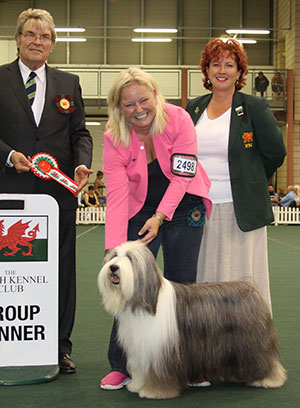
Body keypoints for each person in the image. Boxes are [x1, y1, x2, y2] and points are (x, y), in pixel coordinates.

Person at [100, 67, 211, 390]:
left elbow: (183, 175)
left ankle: (189, 364)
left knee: (182, 286)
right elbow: (118, 197)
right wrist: (113, 251)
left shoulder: (179, 120)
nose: (138, 110)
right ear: (119, 107)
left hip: (184, 202)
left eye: (143, 100)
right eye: (129, 104)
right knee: (131, 287)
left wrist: (162, 215)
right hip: (140, 208)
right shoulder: (113, 136)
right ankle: (121, 365)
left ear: (156, 97)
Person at [0, 8, 93, 373]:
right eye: (30, 35)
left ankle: (59, 347)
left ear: (53, 44)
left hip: (58, 197)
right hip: (10, 192)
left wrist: (82, 163)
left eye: (45, 36)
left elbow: (80, 133)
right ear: (18, 38)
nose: (37, 41)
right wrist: (8, 156)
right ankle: (7, 340)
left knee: (61, 270)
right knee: (9, 269)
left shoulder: (69, 83)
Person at [186, 37, 286, 312]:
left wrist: (249, 179)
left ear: (240, 72)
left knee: (243, 281)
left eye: (229, 64)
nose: (222, 70)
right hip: (200, 208)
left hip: (240, 209)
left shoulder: (254, 108)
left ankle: (251, 345)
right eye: (215, 64)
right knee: (205, 279)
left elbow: (276, 152)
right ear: (206, 70)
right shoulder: (194, 108)